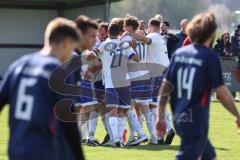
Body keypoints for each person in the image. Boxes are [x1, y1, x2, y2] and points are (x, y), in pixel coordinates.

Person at [157, 12, 240, 160]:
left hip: (180, 118)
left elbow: (165, 88)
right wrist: (238, 115)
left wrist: (160, 117)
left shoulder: (178, 54)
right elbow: (221, 92)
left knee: (209, 156)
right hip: (195, 120)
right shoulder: (209, 56)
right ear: (212, 33)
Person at [0, 18, 84, 160]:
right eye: (72, 49)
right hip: (44, 150)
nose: (71, 55)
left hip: (15, 150)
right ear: (66, 43)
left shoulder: (19, 64)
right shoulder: (57, 71)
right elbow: (68, 122)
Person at [94, 22, 148, 147]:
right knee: (124, 110)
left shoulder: (103, 44)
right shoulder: (124, 44)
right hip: (125, 82)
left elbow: (93, 56)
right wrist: (133, 49)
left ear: (108, 33)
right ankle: (141, 134)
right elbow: (137, 59)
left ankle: (117, 140)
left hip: (111, 83)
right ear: (119, 33)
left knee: (112, 111)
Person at [125, 18, 174, 144]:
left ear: (151, 27)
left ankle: (164, 132)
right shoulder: (161, 38)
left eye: (147, 28)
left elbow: (146, 39)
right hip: (164, 71)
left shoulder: (153, 36)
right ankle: (161, 134)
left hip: (158, 73)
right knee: (157, 104)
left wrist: (129, 33)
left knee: (153, 104)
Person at [121, 16, 151, 146]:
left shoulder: (126, 39)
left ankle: (136, 135)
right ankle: (154, 137)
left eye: (124, 25)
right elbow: (147, 40)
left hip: (134, 76)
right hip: (145, 74)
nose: (123, 27)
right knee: (144, 108)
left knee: (129, 108)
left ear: (127, 26)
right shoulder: (142, 37)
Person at [74, 15, 100, 146]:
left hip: (81, 82)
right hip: (83, 83)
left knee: (82, 110)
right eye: (92, 36)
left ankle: (82, 137)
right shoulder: (80, 51)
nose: (95, 39)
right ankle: (86, 137)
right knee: (89, 108)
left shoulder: (83, 51)